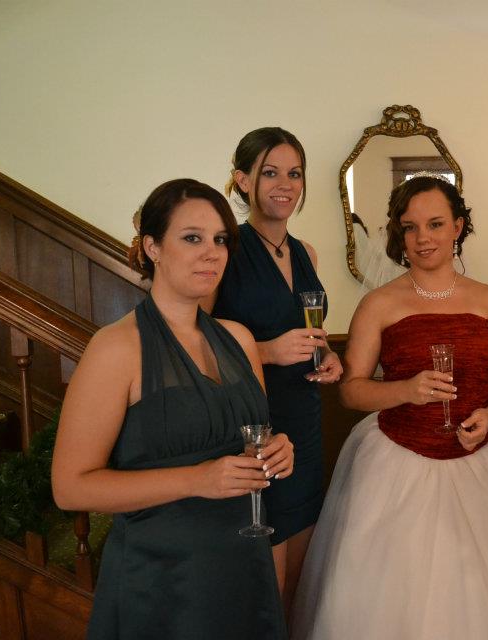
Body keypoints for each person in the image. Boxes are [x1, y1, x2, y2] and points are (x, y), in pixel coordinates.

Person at [291, 176, 488, 639]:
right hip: (397, 461)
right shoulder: (379, 303)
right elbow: (352, 391)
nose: (423, 238)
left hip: (487, 459)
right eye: (410, 227)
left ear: (458, 226)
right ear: (399, 234)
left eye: (436, 224)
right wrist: (405, 390)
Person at [51, 179, 294, 639]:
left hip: (243, 565)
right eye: (192, 238)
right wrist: (196, 479)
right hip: (164, 581)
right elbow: (70, 488)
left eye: (220, 239)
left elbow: (255, 439)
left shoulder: (240, 339)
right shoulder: (116, 348)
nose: (212, 253)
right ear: (153, 247)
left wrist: (279, 449)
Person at [208, 127, 342, 617]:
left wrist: (330, 355)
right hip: (254, 425)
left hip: (305, 417)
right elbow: (195, 342)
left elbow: (310, 332)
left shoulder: (306, 252)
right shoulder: (225, 250)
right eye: (270, 173)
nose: (285, 184)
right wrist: (265, 351)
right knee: (266, 579)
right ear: (243, 180)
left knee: (300, 581)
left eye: (294, 173)